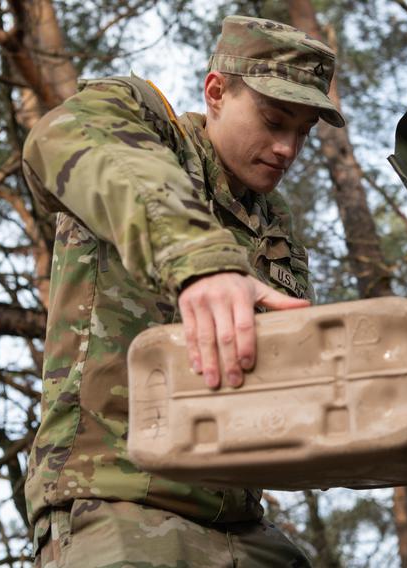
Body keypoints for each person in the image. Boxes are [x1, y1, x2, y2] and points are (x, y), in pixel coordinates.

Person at [21, 15, 344, 567]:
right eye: (273, 120)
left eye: (304, 132)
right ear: (216, 91)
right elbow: (63, 137)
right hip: (117, 500)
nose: (288, 148)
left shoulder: (276, 228)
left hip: (243, 524)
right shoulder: (145, 124)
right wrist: (203, 262)